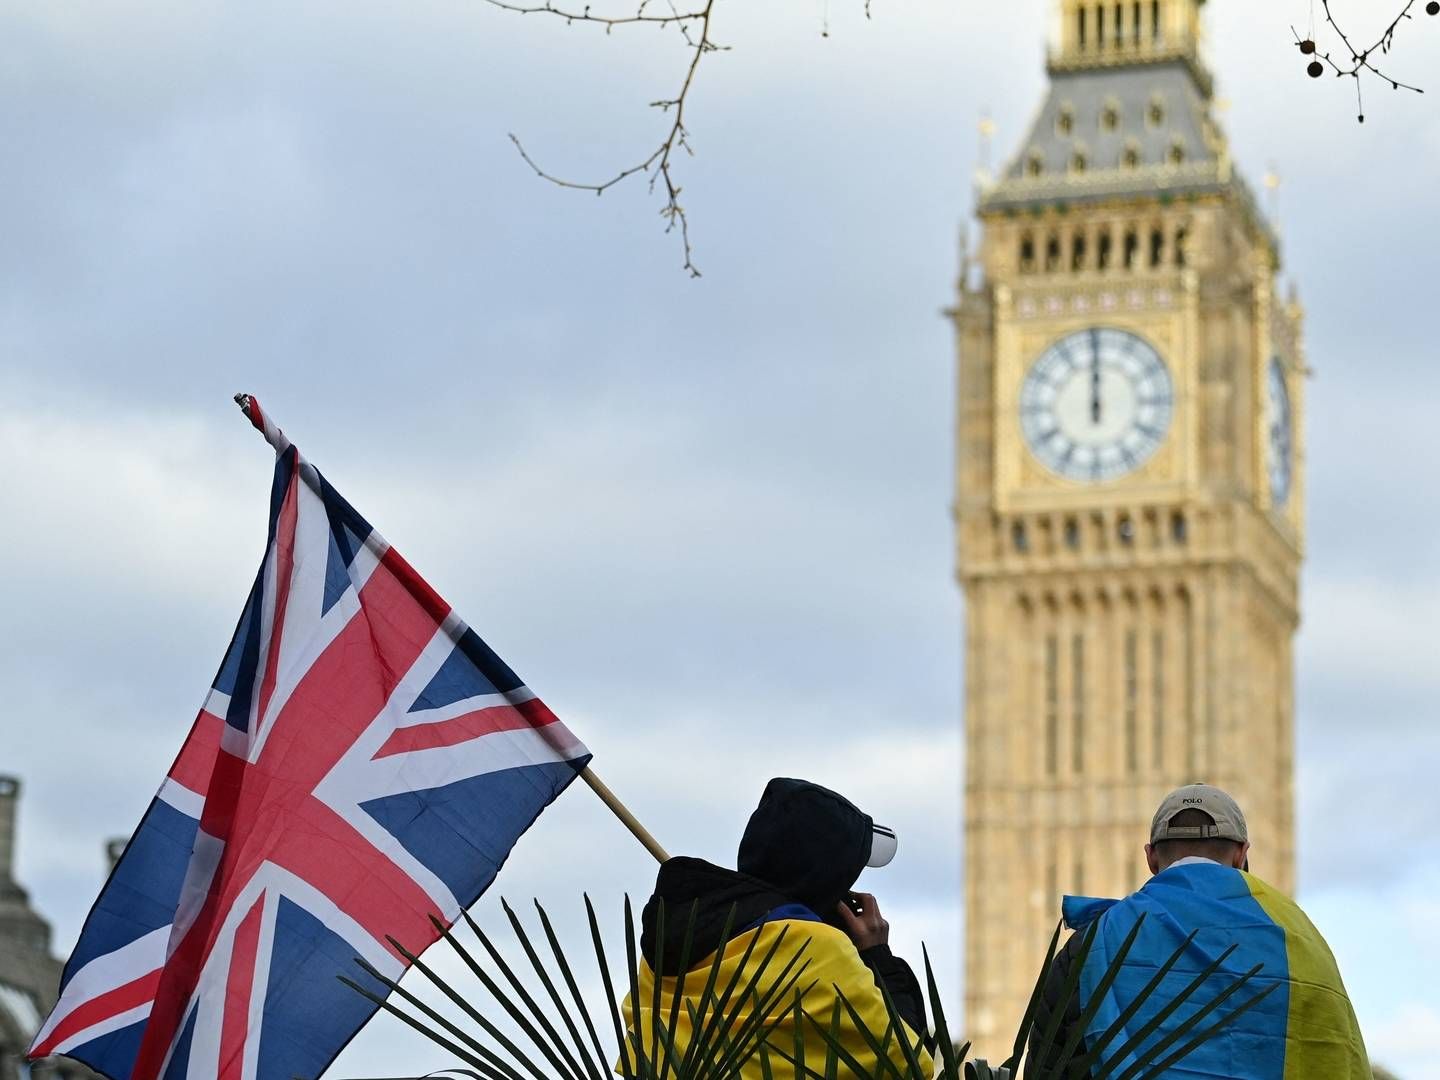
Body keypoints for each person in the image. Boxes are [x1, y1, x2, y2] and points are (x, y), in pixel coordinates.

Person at [1026, 783, 1370, 1079]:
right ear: (1241, 854)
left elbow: (1050, 1064)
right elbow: (1336, 1050)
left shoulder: (1095, 941)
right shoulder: (1299, 936)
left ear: (1151, 858)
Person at [624, 777, 934, 1077]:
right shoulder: (814, 949)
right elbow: (908, 1063)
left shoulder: (666, 946)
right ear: (828, 882)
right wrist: (878, 956)